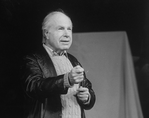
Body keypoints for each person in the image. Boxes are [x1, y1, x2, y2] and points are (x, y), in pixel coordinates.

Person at [21, 10, 95, 118]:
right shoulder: (32, 59)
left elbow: (88, 88)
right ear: (46, 33)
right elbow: (33, 88)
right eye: (60, 29)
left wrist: (87, 97)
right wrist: (67, 80)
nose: (66, 34)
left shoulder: (73, 60)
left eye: (69, 29)